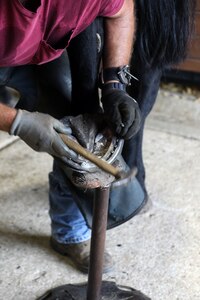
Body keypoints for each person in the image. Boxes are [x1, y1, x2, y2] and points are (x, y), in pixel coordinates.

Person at [0, 0, 195, 274]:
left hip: (39, 47)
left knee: (77, 132)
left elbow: (121, 10)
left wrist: (115, 84)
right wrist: (17, 122)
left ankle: (69, 235)